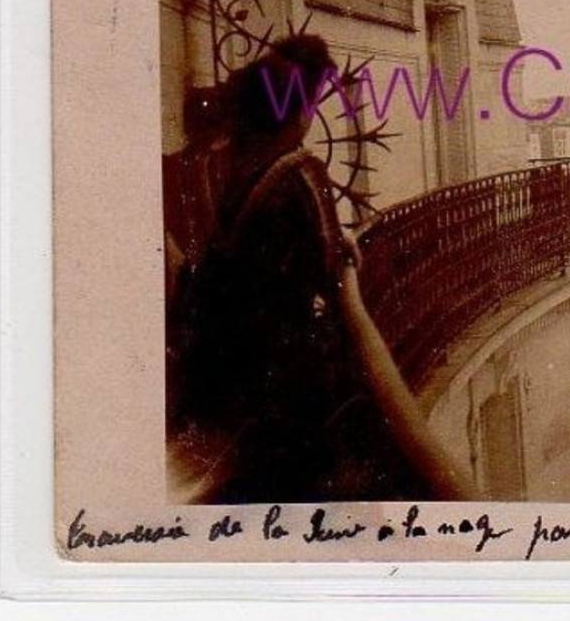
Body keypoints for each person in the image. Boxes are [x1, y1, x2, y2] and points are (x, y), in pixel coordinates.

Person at [167, 35, 475, 503]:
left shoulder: (225, 169)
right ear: (304, 110)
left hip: (225, 391)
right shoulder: (300, 175)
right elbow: (333, 282)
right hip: (287, 412)